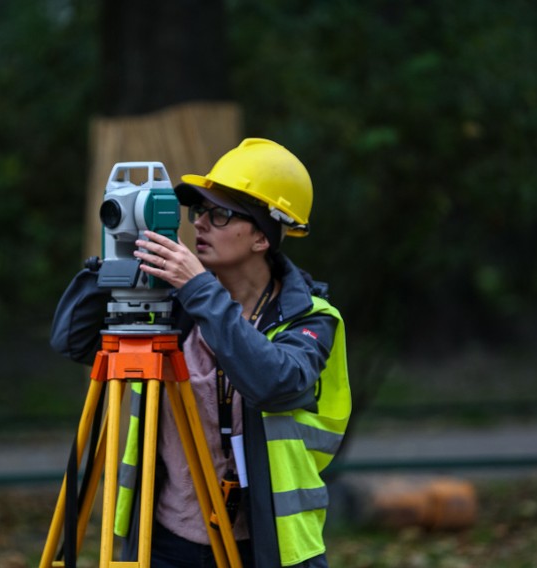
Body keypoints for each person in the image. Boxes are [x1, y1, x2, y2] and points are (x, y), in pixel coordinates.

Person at [50, 138, 351, 568]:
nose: (201, 225)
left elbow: (274, 383)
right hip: (168, 542)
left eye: (221, 214)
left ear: (263, 237)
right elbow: (73, 339)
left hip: (268, 547)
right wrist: (117, 257)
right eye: (199, 212)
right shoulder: (175, 305)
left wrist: (199, 289)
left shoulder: (310, 319)